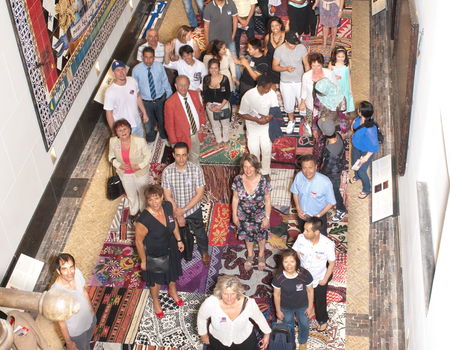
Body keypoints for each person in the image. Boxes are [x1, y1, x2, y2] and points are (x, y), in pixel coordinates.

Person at [135, 185, 185, 319]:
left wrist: (179, 240)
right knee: (155, 279)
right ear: (147, 201)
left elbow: (173, 223)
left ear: (162, 197)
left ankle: (172, 291)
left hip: (170, 245)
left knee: (172, 271)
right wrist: (144, 260)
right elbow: (139, 242)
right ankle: (155, 299)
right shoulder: (143, 219)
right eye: (150, 200)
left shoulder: (168, 206)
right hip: (154, 251)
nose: (154, 202)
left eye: (156, 198)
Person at [162, 142, 211, 266]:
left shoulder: (196, 170)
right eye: (178, 155)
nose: (181, 158)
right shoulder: (167, 172)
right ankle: (178, 253)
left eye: (184, 155)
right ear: (173, 155)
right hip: (175, 210)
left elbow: (199, 194)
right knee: (175, 234)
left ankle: (204, 251)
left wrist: (184, 210)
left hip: (193, 210)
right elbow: (168, 196)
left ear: (188, 155)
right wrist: (178, 214)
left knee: (200, 232)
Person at [197, 276, 271, 350]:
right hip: (219, 341)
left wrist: (267, 333)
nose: (229, 298)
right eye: (225, 294)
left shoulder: (249, 304)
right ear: (220, 292)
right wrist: (204, 336)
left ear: (238, 292)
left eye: (233, 294)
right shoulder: (210, 303)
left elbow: (259, 318)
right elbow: (201, 318)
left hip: (245, 340)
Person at [292, 217, 336, 332]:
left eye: (307, 230)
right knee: (300, 297)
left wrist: (325, 279)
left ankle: (322, 319)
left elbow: (331, 263)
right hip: (302, 276)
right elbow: (296, 251)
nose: (303, 232)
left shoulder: (328, 244)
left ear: (316, 232)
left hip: (319, 277)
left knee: (320, 299)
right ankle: (299, 315)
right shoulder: (301, 238)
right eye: (304, 229)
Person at [232, 154, 272, 270]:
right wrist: (234, 215)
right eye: (245, 167)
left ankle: (260, 255)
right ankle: (250, 254)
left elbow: (268, 201)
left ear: (256, 167)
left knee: (261, 236)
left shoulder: (264, 181)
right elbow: (235, 198)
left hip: (260, 215)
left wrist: (267, 218)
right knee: (248, 236)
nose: (248, 170)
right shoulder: (237, 180)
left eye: (251, 166)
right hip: (243, 215)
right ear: (242, 167)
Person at [108, 119, 152, 222]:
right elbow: (110, 156)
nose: (123, 132)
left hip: (140, 173)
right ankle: (134, 209)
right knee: (130, 193)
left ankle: (143, 210)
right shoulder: (113, 141)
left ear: (129, 129)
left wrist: (140, 165)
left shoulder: (139, 141)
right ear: (116, 133)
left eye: (125, 129)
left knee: (142, 193)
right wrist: (119, 165)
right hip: (124, 174)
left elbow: (148, 155)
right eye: (119, 130)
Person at [51, 254, 96, 350]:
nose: (69, 272)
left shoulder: (77, 273)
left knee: (88, 341)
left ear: (75, 267)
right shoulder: (55, 294)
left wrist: (91, 311)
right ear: (58, 271)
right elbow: (61, 323)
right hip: (76, 331)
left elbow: (84, 291)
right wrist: (69, 342)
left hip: (89, 319)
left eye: (71, 267)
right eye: (64, 269)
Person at [272, 249, 313, 350]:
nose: (289, 265)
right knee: (288, 325)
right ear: (282, 262)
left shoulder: (305, 274)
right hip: (286, 306)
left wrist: (310, 306)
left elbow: (310, 291)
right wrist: (278, 311)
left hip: (302, 305)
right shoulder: (278, 278)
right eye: (285, 261)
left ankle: (303, 341)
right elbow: (276, 295)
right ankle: (290, 341)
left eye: (292, 261)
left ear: (297, 262)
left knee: (304, 324)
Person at [238, 75, 278, 178]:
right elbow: (242, 113)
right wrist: (257, 120)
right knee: (254, 152)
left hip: (266, 128)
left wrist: (268, 117)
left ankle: (265, 172)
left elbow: (275, 108)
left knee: (266, 150)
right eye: (267, 88)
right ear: (260, 86)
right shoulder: (248, 96)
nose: (269, 90)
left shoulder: (272, 93)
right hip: (252, 129)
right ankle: (257, 173)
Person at [132, 47, 173, 148]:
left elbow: (165, 82)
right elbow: (135, 87)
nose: (148, 60)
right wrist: (136, 104)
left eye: (150, 57)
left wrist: (169, 96)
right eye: (146, 57)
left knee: (163, 120)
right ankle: (150, 139)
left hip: (160, 99)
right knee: (148, 123)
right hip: (146, 102)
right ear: (142, 57)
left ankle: (164, 137)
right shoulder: (136, 70)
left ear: (154, 57)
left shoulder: (159, 67)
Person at [272, 31, 309, 134]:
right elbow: (274, 66)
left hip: (300, 81)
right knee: (288, 104)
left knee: (303, 104)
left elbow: (306, 64)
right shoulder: (279, 51)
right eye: (292, 43)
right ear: (286, 41)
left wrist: (309, 79)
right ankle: (291, 121)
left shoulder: (301, 48)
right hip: (286, 82)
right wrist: (285, 69)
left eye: (296, 43)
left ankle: (306, 121)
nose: (294, 46)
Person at [290, 154, 336, 236]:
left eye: (310, 167)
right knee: (305, 236)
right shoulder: (298, 176)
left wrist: (318, 215)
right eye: (304, 168)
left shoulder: (325, 182)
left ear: (316, 167)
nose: (307, 171)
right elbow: (295, 192)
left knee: (321, 239)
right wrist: (298, 208)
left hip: (318, 217)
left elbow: (331, 202)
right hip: (302, 216)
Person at [164, 76, 206, 163]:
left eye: (185, 85)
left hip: (196, 134)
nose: (183, 87)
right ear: (175, 86)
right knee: (182, 161)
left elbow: (201, 110)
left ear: (189, 85)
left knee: (195, 156)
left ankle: (195, 171)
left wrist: (202, 124)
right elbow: (169, 125)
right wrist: (174, 143)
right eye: (180, 85)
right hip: (181, 138)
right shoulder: (170, 103)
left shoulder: (195, 94)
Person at [104, 60, 148, 138]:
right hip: (124, 129)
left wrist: (144, 112)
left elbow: (138, 96)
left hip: (137, 122)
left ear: (126, 70)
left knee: (141, 143)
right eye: (118, 70)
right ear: (113, 73)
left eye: (122, 69)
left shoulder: (132, 81)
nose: (121, 73)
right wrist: (114, 131)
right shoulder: (110, 92)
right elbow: (109, 113)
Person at [311, 77, 347, 167]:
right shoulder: (318, 96)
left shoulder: (340, 98)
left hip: (335, 126)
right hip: (322, 125)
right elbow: (315, 113)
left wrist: (343, 131)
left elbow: (343, 117)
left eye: (320, 93)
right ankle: (320, 163)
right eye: (318, 93)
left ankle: (334, 165)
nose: (319, 95)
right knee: (320, 146)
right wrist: (314, 128)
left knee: (334, 146)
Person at [299, 53, 339, 132]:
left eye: (318, 65)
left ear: (322, 65)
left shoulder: (329, 74)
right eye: (313, 65)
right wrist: (303, 103)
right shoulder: (306, 76)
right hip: (312, 104)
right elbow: (304, 90)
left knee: (326, 123)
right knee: (313, 124)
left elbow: (336, 88)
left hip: (326, 105)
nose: (316, 68)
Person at [318, 117, 346, 223]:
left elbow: (327, 168)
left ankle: (341, 209)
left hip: (333, 173)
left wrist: (321, 174)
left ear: (324, 133)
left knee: (335, 191)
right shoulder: (337, 136)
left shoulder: (331, 152)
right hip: (337, 165)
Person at [350, 101, 379, 199]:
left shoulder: (370, 129)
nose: (357, 110)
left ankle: (367, 189)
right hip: (357, 146)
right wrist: (353, 123)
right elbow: (353, 129)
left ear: (361, 113)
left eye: (359, 109)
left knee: (362, 171)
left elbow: (375, 145)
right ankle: (357, 176)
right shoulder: (359, 118)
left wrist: (366, 157)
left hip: (366, 151)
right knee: (354, 163)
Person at [203, 59, 232, 150]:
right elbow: (205, 95)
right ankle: (219, 141)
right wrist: (211, 107)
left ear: (219, 68)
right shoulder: (206, 79)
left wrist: (220, 106)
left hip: (223, 105)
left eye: (215, 68)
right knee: (215, 125)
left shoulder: (225, 79)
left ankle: (226, 140)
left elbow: (227, 94)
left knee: (225, 124)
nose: (213, 70)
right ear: (209, 69)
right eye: (211, 68)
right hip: (211, 106)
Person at [328, 47, 354, 113]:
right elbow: (327, 76)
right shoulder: (331, 64)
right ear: (335, 56)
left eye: (343, 56)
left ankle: (343, 115)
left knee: (344, 102)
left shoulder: (346, 64)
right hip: (335, 86)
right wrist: (334, 77)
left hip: (345, 86)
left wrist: (350, 89)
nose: (340, 58)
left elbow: (349, 76)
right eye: (338, 56)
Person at [263, 16, 285, 90]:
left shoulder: (286, 36)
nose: (274, 28)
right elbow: (266, 50)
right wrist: (264, 64)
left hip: (282, 64)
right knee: (271, 85)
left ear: (280, 25)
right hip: (270, 63)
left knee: (284, 85)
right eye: (272, 26)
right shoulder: (267, 37)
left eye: (276, 25)